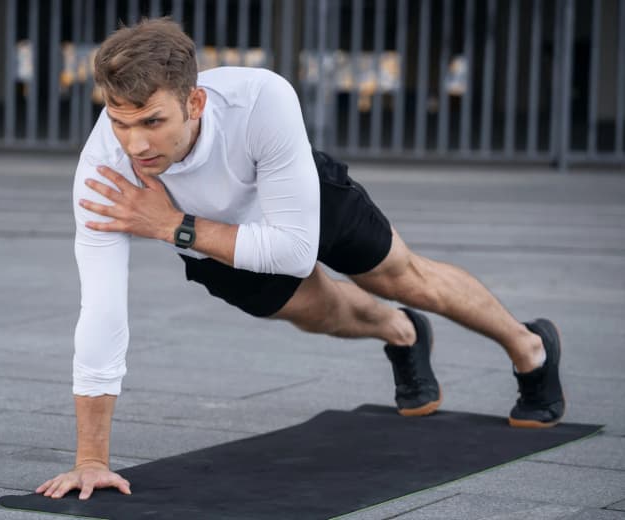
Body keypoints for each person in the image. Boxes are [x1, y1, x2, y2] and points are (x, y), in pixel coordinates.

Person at [36, 17, 565, 501]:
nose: (135, 144)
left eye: (152, 121)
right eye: (119, 122)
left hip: (298, 200)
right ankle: (403, 333)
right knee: (329, 312)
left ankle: (531, 346)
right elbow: (101, 311)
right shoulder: (104, 170)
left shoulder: (261, 97)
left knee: (405, 277)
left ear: (194, 103)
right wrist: (90, 460)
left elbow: (293, 250)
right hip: (213, 247)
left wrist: (169, 224)